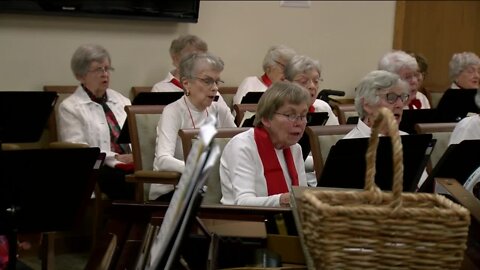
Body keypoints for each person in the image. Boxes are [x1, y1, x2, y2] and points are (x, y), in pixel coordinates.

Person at [152, 52, 236, 200]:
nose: (215, 88)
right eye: (207, 81)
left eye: (217, 81)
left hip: (212, 186)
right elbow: (163, 160)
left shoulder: (220, 109)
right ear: (186, 83)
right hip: (173, 189)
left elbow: (238, 143)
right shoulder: (173, 111)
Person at [57, 44, 135, 200]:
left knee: (165, 180)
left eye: (107, 69)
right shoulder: (70, 108)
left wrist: (135, 156)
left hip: (132, 164)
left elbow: (137, 136)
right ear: (81, 75)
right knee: (131, 183)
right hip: (98, 169)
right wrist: (116, 158)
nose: (105, 74)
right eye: (98, 70)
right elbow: (78, 151)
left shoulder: (122, 101)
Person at [220, 81, 313, 207]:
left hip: (287, 219)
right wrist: (285, 199)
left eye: (302, 115)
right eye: (291, 115)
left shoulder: (295, 148)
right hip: (243, 222)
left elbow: (301, 196)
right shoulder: (242, 146)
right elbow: (243, 202)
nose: (299, 122)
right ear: (266, 118)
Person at [151, 34, 229, 107]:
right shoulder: (160, 90)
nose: (198, 63)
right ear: (175, 59)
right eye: (192, 57)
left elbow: (225, 118)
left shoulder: (211, 88)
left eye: (201, 58)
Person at [344, 70, 410, 139]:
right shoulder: (349, 146)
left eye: (402, 97)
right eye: (391, 97)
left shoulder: (407, 140)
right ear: (367, 105)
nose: (400, 104)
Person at [232, 45, 297, 106]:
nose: (287, 72)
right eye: (284, 67)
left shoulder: (290, 89)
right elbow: (239, 112)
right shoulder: (250, 83)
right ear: (269, 66)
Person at [284, 54, 339, 125]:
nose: (312, 86)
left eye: (316, 81)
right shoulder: (277, 113)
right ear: (286, 84)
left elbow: (336, 135)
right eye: (303, 81)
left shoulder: (323, 108)